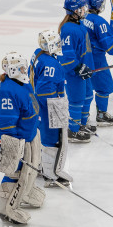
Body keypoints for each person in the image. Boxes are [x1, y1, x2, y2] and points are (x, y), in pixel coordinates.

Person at [0, 52, 45, 224]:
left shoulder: (20, 82)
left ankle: (25, 191)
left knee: (31, 167)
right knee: (14, 170)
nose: (25, 69)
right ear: (13, 70)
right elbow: (6, 123)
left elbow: (30, 103)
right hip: (14, 138)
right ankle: (5, 207)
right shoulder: (8, 90)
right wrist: (13, 146)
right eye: (22, 67)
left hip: (27, 134)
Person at [30, 30, 72, 188]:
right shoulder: (51, 65)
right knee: (52, 140)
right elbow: (46, 92)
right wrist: (59, 107)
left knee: (43, 137)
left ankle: (42, 167)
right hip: (48, 106)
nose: (60, 45)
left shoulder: (38, 53)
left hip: (38, 104)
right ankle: (50, 176)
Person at [58, 0, 94, 143]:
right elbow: (66, 55)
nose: (84, 10)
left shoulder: (79, 25)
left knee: (88, 96)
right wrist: (77, 67)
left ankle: (82, 124)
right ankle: (74, 130)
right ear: (73, 11)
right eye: (81, 8)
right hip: (74, 73)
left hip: (84, 69)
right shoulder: (68, 29)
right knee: (76, 101)